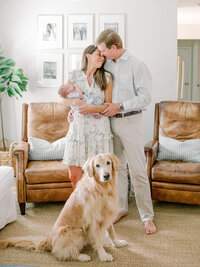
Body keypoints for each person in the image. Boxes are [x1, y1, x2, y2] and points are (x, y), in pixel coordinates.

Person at [94, 30, 157, 235]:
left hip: (130, 122)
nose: (101, 54)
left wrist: (120, 106)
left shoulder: (137, 65)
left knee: (138, 171)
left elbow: (146, 97)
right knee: (117, 169)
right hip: (110, 123)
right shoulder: (107, 64)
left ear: (113, 48)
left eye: (103, 50)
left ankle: (147, 217)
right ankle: (121, 208)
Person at [59, 45, 113, 189]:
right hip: (78, 131)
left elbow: (108, 105)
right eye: (98, 54)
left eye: (103, 56)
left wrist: (91, 108)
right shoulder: (74, 75)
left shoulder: (107, 77)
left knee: (99, 178)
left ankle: (97, 209)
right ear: (88, 56)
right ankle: (80, 207)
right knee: (74, 176)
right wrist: (76, 102)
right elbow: (64, 99)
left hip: (99, 132)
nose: (102, 57)